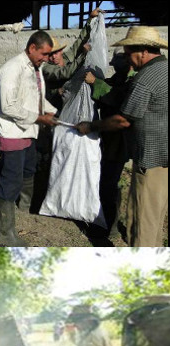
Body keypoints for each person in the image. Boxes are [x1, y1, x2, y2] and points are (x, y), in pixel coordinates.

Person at [76, 26, 166, 247]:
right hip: (163, 157)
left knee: (143, 223)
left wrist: (91, 126)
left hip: (151, 160)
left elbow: (124, 120)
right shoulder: (165, 69)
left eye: (128, 54)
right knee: (154, 217)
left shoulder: (145, 79)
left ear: (143, 51)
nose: (127, 59)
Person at [0, 30, 59, 245]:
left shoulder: (35, 68)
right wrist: (40, 118)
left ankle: (24, 209)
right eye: (44, 54)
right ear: (32, 48)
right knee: (10, 181)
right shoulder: (12, 68)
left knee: (29, 170)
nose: (47, 59)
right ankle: (6, 234)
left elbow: (35, 99)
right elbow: (8, 106)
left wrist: (54, 112)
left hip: (29, 131)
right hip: (13, 133)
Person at [84, 47, 135, 239]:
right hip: (111, 137)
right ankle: (108, 221)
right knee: (109, 181)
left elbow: (117, 97)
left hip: (119, 139)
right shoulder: (119, 78)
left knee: (109, 182)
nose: (115, 66)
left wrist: (95, 82)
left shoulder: (132, 81)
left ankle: (110, 226)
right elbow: (110, 86)